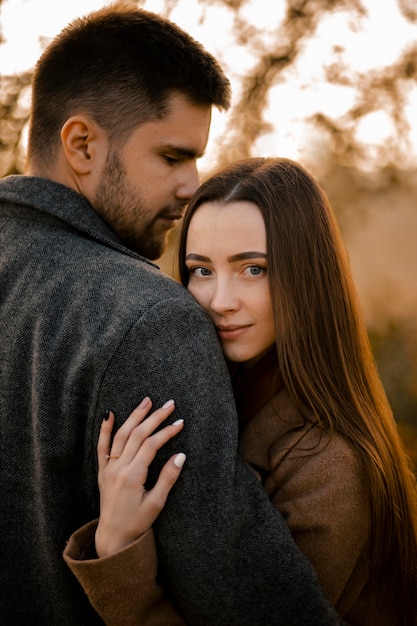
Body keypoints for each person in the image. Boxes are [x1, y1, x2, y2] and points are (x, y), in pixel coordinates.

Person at [0, 6, 341, 626]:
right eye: (172, 157)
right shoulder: (149, 318)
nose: (192, 186)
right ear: (81, 144)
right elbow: (242, 597)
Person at [64, 158, 417, 625]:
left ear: (306, 277)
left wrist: (116, 548)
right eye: (201, 270)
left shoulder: (331, 467)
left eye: (253, 269)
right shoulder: (213, 395)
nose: (220, 301)